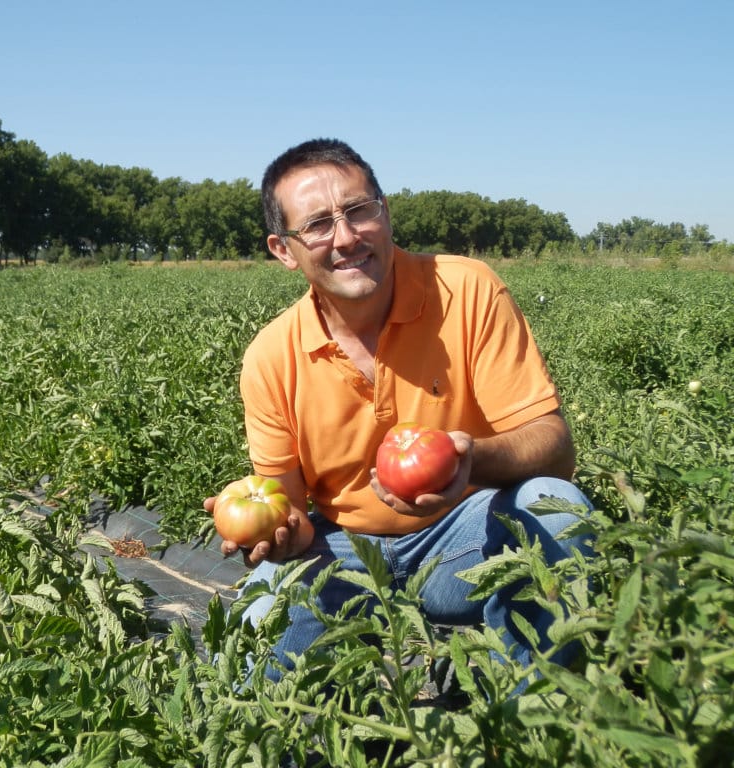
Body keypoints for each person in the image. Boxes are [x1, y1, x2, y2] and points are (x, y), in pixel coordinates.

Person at [205, 137, 593, 683]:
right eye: (317, 224)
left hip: (465, 537)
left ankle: (525, 707)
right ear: (284, 251)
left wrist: (469, 461)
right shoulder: (271, 357)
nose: (346, 237)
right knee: (247, 670)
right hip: (342, 549)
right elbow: (289, 513)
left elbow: (554, 447)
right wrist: (277, 534)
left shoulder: (467, 289)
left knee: (554, 504)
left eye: (359, 211)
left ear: (386, 213)